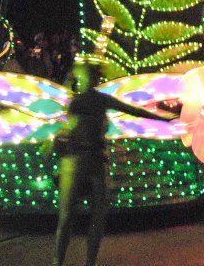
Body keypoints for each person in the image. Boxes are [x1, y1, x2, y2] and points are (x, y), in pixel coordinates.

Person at [52, 54, 178, 266]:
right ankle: (67, 262)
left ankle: (77, 262)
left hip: (87, 161)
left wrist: (163, 119)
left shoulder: (90, 101)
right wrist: (162, 119)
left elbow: (133, 110)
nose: (89, 80)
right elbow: (132, 111)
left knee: (85, 217)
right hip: (81, 161)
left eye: (91, 76)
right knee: (75, 217)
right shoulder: (85, 102)